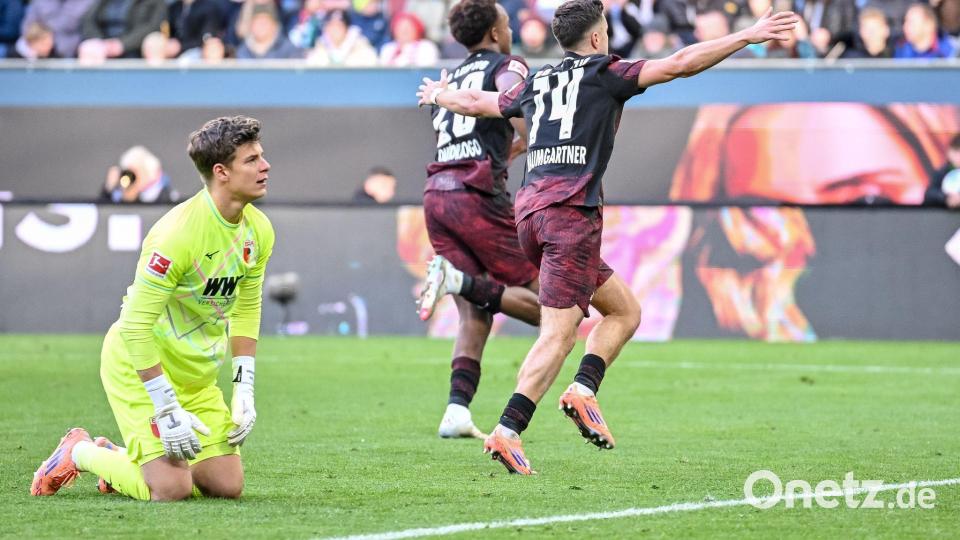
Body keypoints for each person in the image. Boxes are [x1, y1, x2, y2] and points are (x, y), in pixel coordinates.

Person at [417, 0, 798, 474]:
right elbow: (679, 64)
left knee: (623, 311)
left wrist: (439, 95)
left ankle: (583, 389)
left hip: (528, 213)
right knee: (558, 334)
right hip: (569, 217)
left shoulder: (538, 80)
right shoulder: (606, 72)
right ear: (597, 39)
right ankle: (507, 431)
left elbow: (480, 103)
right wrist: (746, 36)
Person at [31, 115, 275, 501]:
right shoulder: (176, 234)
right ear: (221, 172)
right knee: (170, 490)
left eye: (262, 156)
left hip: (195, 378)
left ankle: (125, 458)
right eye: (252, 160)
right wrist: (164, 403)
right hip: (139, 369)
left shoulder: (259, 230)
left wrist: (243, 388)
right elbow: (134, 326)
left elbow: (247, 306)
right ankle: (79, 451)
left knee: (227, 486)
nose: (265, 166)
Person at [415, 0, 542, 441]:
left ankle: (455, 410)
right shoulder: (507, 65)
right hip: (476, 196)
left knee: (476, 313)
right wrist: (535, 131)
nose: (510, 30)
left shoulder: (449, 80)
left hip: (438, 195)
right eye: (506, 23)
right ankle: (460, 280)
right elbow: (515, 100)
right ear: (493, 31)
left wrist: (512, 148)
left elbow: (465, 135)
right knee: (552, 306)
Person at [79, 0, 167, 59]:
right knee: (89, 47)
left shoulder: (153, 2)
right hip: (104, 43)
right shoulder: (104, 2)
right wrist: (100, 41)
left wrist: (122, 44)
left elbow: (152, 25)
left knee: (154, 42)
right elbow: (88, 20)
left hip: (134, 45)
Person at [100, 145, 177, 203]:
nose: (131, 177)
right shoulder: (118, 193)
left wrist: (135, 198)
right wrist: (108, 190)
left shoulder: (166, 196)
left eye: (138, 171)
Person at [925, 133, 960, 209]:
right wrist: (946, 198)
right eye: (956, 152)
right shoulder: (942, 172)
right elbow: (929, 194)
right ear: (949, 153)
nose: (958, 157)